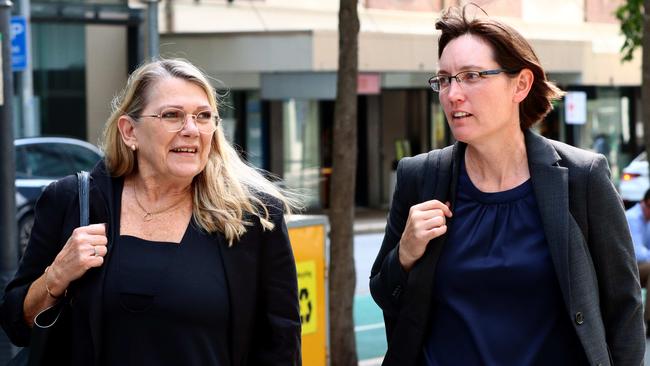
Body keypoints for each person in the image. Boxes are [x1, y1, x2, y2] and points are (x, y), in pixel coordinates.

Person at [370, 5, 644, 366]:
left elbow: (623, 306)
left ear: (521, 84)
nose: (453, 94)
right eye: (445, 79)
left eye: (471, 76)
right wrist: (404, 256)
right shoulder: (419, 177)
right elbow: (385, 293)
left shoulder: (582, 177)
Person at [1, 58, 302, 365]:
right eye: (172, 115)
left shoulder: (252, 218)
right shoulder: (71, 202)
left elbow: (281, 345)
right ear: (130, 131)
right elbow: (16, 324)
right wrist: (56, 276)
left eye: (203, 116)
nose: (191, 130)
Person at [626, 188, 650, 332]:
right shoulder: (633, 217)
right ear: (646, 203)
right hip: (627, 267)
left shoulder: (647, 219)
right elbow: (638, 253)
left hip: (639, 267)